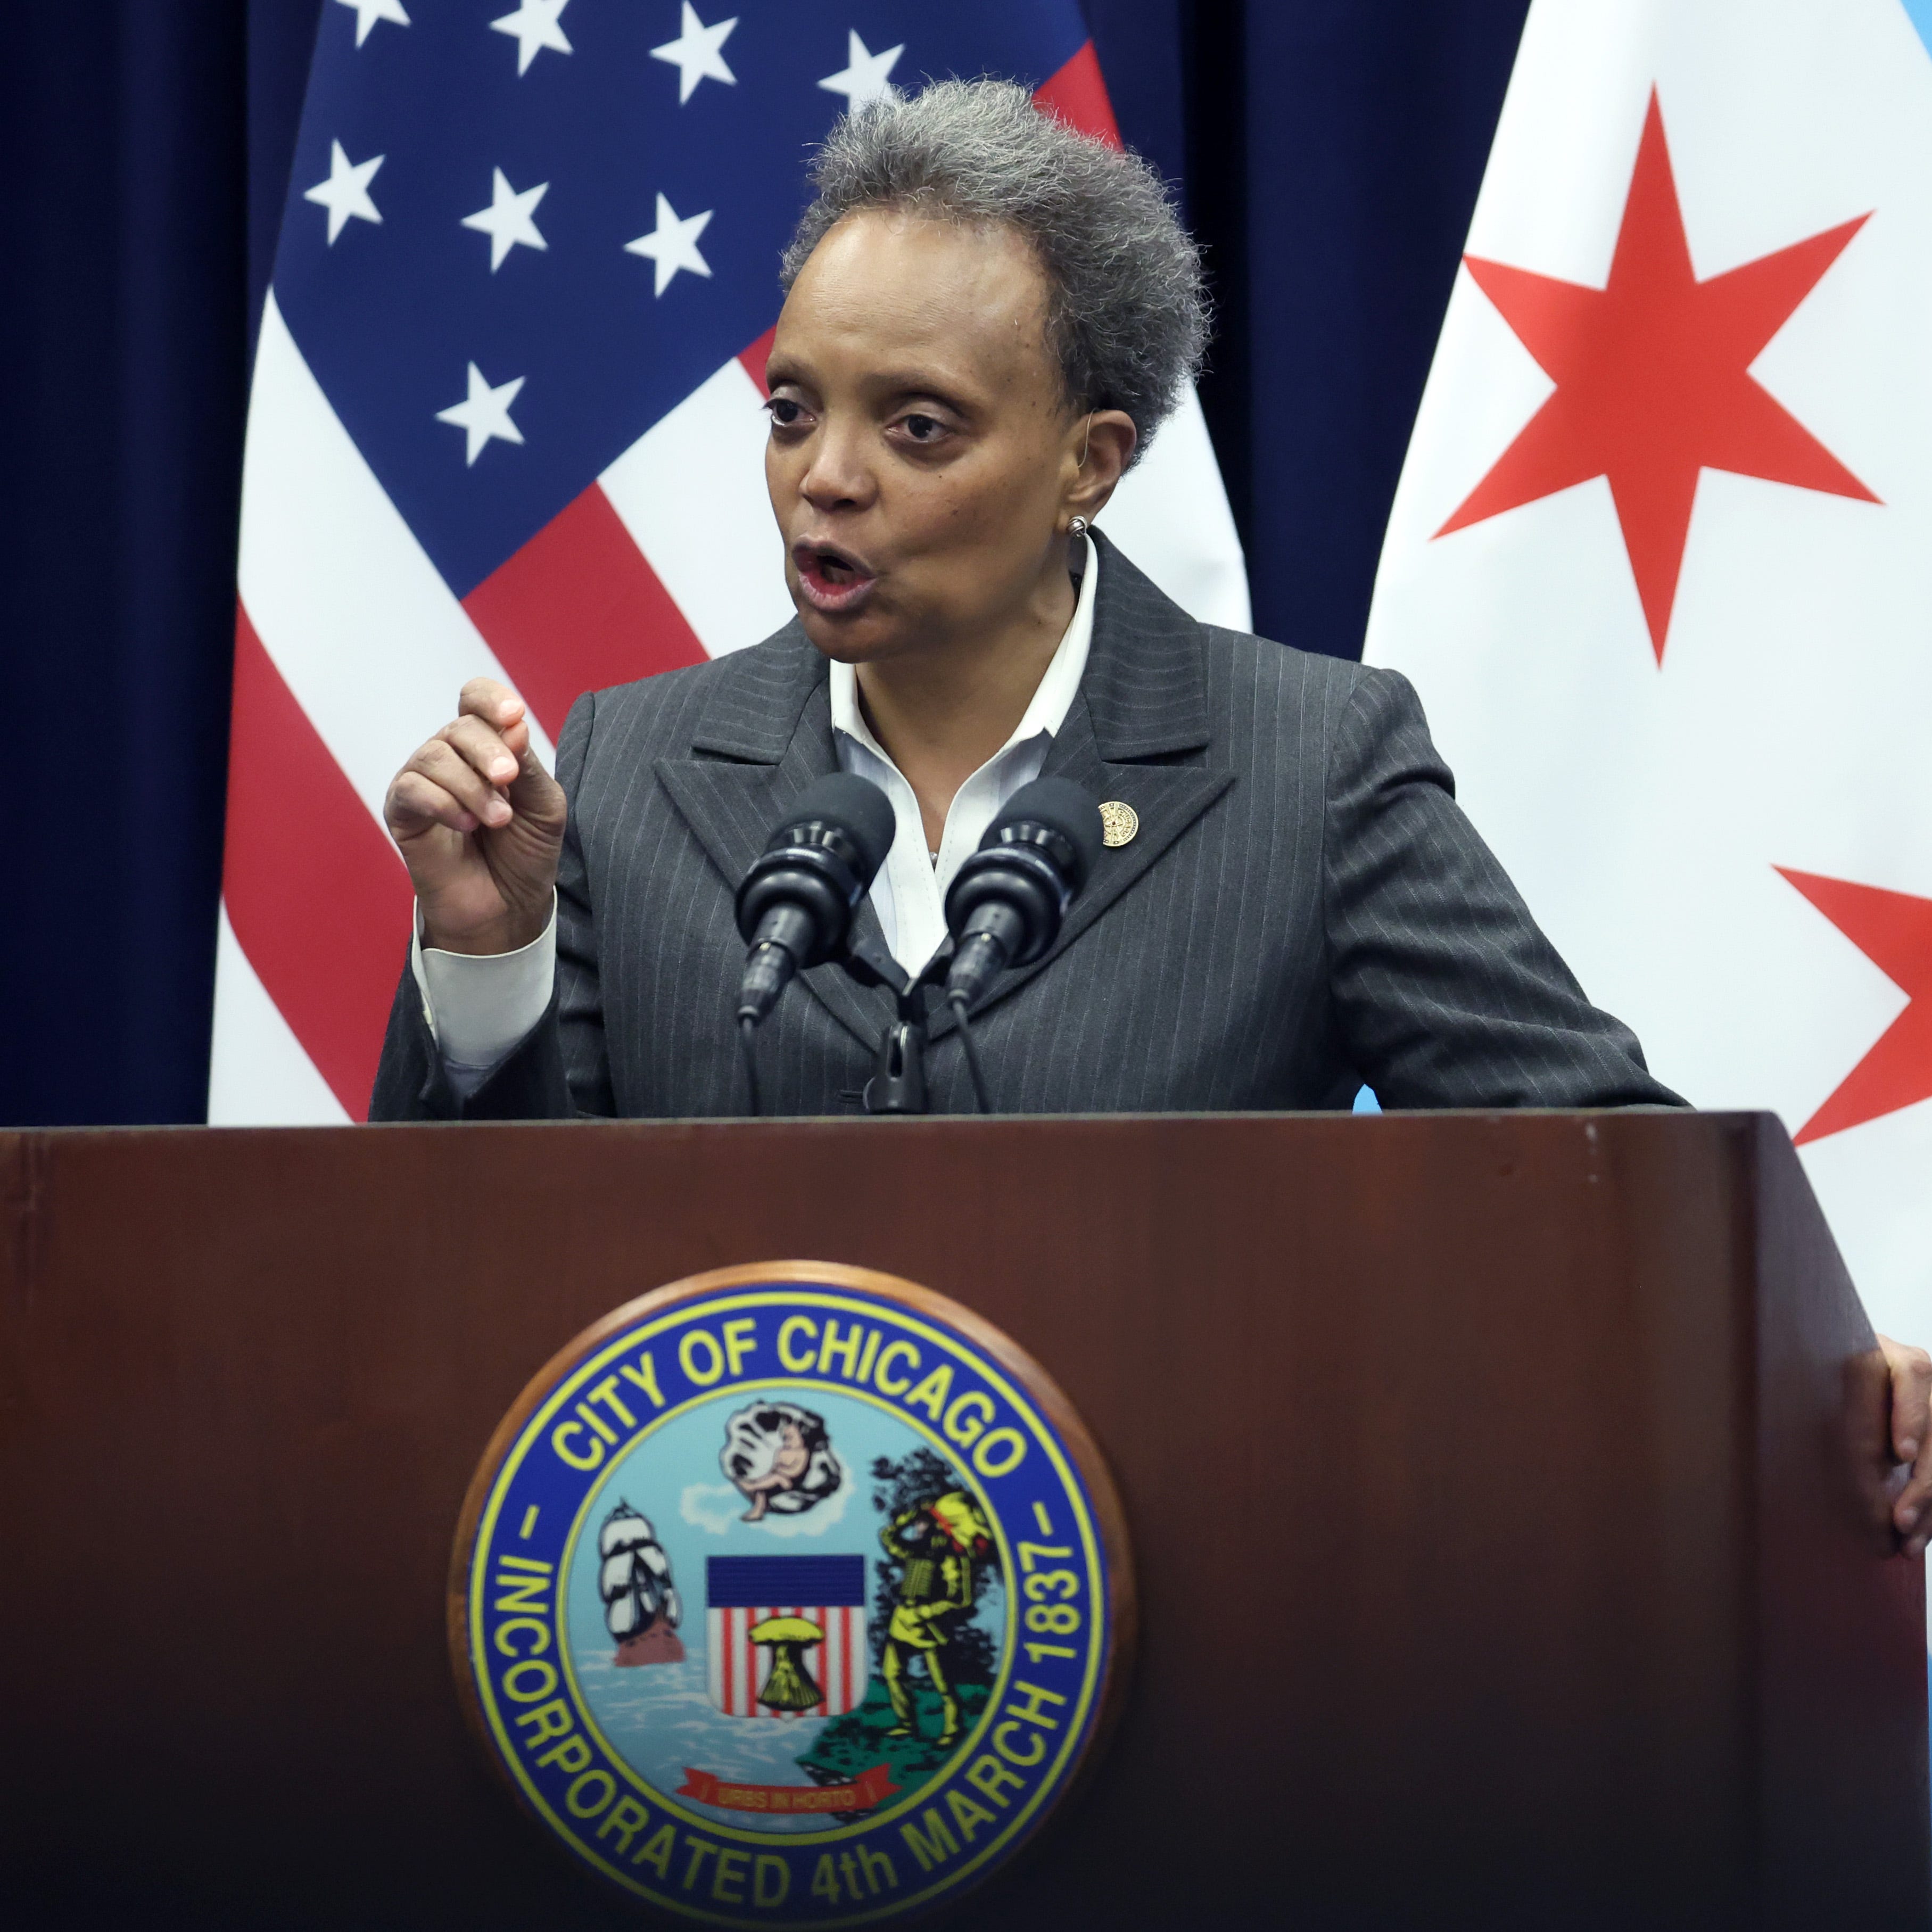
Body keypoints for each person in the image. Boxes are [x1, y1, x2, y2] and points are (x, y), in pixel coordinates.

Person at [369, 81, 1932, 1553]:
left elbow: (1607, 1183)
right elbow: (484, 1290)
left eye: (917, 426)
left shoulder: (1309, 762)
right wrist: (487, 962)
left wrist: (1833, 1375)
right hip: (732, 1667)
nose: (823, 481)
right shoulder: (630, 766)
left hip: (1185, 1646)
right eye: (793, 410)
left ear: (1089, 465)